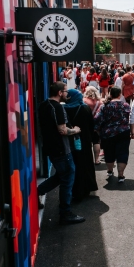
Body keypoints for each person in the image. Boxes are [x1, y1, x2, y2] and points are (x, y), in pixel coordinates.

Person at [37, 82, 85, 225]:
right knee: (67, 179)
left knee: (61, 176)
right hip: (61, 149)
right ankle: (65, 213)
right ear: (59, 93)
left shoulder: (43, 105)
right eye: (65, 92)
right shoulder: (57, 107)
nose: (67, 95)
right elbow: (63, 130)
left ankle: (37, 192)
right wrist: (75, 130)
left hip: (51, 148)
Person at [64, 89, 99, 202]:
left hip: (69, 141)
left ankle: (75, 190)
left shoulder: (64, 109)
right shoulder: (84, 108)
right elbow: (91, 125)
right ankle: (87, 187)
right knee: (86, 163)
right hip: (84, 140)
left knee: (74, 165)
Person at [95, 87, 131, 183]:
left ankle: (110, 170)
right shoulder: (126, 105)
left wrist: (97, 129)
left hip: (108, 133)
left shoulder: (104, 106)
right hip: (123, 132)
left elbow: (97, 119)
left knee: (109, 152)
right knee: (123, 152)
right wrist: (132, 130)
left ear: (110, 94)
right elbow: (130, 119)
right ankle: (121, 175)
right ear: (119, 94)